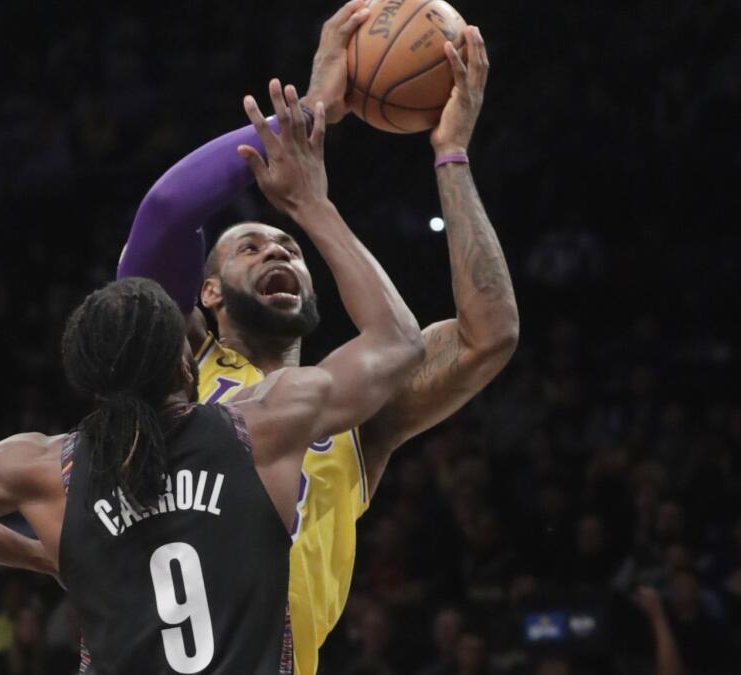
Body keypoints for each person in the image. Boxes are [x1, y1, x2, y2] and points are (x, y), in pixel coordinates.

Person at [0, 87, 424, 674]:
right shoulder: (264, 424)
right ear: (189, 364)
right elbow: (397, 340)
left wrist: (42, 556)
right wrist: (312, 204)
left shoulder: (48, 468)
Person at [115, 4, 517, 672]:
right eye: (250, 244)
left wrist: (451, 156)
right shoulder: (174, 366)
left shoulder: (353, 409)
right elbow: (166, 210)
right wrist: (314, 114)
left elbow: (490, 334)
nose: (279, 252)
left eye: (292, 251)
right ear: (207, 293)